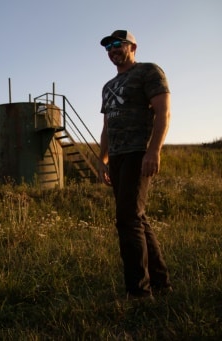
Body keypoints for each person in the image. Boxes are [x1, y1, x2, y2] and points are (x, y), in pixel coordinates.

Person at [97, 30, 172, 299]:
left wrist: (154, 151)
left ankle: (139, 293)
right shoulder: (108, 86)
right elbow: (107, 126)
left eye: (119, 44)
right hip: (116, 157)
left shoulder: (148, 72)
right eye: (109, 47)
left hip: (138, 152)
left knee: (127, 219)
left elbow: (164, 112)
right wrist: (102, 160)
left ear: (133, 46)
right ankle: (161, 282)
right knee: (137, 218)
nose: (113, 49)